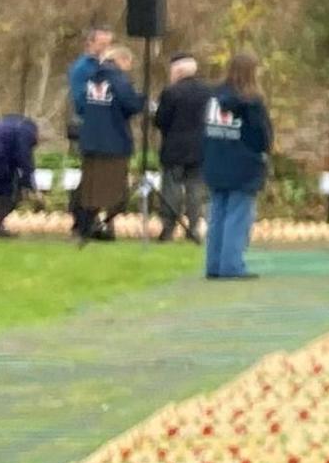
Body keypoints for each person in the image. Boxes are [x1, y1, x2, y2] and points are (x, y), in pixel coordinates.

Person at [63, 30, 143, 244]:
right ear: (121, 60)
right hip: (113, 141)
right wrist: (141, 98)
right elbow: (131, 104)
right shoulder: (114, 78)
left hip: (91, 138)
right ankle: (94, 224)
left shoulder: (94, 77)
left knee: (91, 185)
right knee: (113, 188)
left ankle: (88, 224)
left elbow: (83, 102)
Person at [198, 54, 273, 280]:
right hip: (242, 164)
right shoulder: (251, 102)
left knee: (217, 215)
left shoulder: (213, 96)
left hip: (214, 161)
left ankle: (214, 264)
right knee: (238, 216)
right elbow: (261, 136)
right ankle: (231, 266)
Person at [149, 53, 211, 244]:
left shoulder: (171, 92)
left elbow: (161, 120)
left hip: (174, 148)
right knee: (196, 190)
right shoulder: (208, 92)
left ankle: (168, 228)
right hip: (200, 148)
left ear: (178, 71)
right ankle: (193, 228)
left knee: (172, 189)